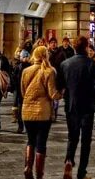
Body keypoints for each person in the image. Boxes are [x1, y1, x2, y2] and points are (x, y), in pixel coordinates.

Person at [57, 36, 95, 179]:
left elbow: (60, 86)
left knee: (72, 137)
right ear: (86, 46)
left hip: (71, 106)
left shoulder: (65, 64)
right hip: (87, 106)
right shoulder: (91, 64)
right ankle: (82, 172)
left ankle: (69, 160)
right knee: (86, 140)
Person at [21, 46, 61, 179]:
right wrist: (61, 94)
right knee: (41, 143)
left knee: (30, 140)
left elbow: (23, 91)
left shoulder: (26, 71)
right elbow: (52, 93)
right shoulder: (49, 71)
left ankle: (27, 166)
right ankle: (39, 174)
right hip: (43, 112)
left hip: (27, 111)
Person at [12, 49, 31, 134]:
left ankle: (27, 126)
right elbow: (14, 78)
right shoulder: (18, 67)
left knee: (28, 110)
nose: (25, 59)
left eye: (26, 57)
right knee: (20, 110)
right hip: (20, 91)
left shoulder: (31, 67)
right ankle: (20, 126)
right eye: (23, 57)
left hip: (29, 91)